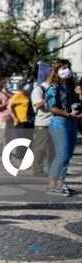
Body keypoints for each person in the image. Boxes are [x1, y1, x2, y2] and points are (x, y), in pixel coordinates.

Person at [45, 59, 81, 196]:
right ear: (57, 70)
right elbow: (51, 108)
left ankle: (61, 183)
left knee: (68, 154)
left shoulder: (70, 87)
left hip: (71, 122)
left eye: (68, 67)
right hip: (60, 121)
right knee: (62, 154)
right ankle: (53, 185)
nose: (67, 70)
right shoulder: (54, 87)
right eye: (63, 67)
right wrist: (68, 114)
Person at [30, 74, 54, 177]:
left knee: (53, 149)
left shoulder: (55, 88)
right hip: (43, 123)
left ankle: (53, 169)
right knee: (40, 148)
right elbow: (37, 105)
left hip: (55, 122)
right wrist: (48, 97)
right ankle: (38, 169)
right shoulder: (39, 89)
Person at [7, 79, 32, 162]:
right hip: (20, 121)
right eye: (26, 84)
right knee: (21, 141)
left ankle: (24, 158)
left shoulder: (27, 95)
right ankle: (18, 159)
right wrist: (15, 118)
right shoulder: (18, 95)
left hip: (28, 120)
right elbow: (9, 107)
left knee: (28, 141)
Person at [0, 78, 13, 156]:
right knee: (1, 137)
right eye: (8, 82)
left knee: (10, 138)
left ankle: (8, 153)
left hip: (11, 118)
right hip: (2, 119)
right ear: (3, 84)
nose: (10, 84)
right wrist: (7, 102)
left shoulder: (11, 94)